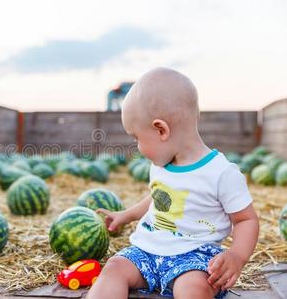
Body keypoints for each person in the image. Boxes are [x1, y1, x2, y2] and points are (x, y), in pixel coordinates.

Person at [86, 68, 259, 299]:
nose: (137, 147)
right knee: (114, 268)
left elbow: (246, 219)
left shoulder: (221, 173)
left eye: (137, 138)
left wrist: (237, 255)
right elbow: (156, 198)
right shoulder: (161, 166)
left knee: (194, 289)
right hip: (146, 252)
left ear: (161, 130)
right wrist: (126, 215)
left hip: (194, 258)